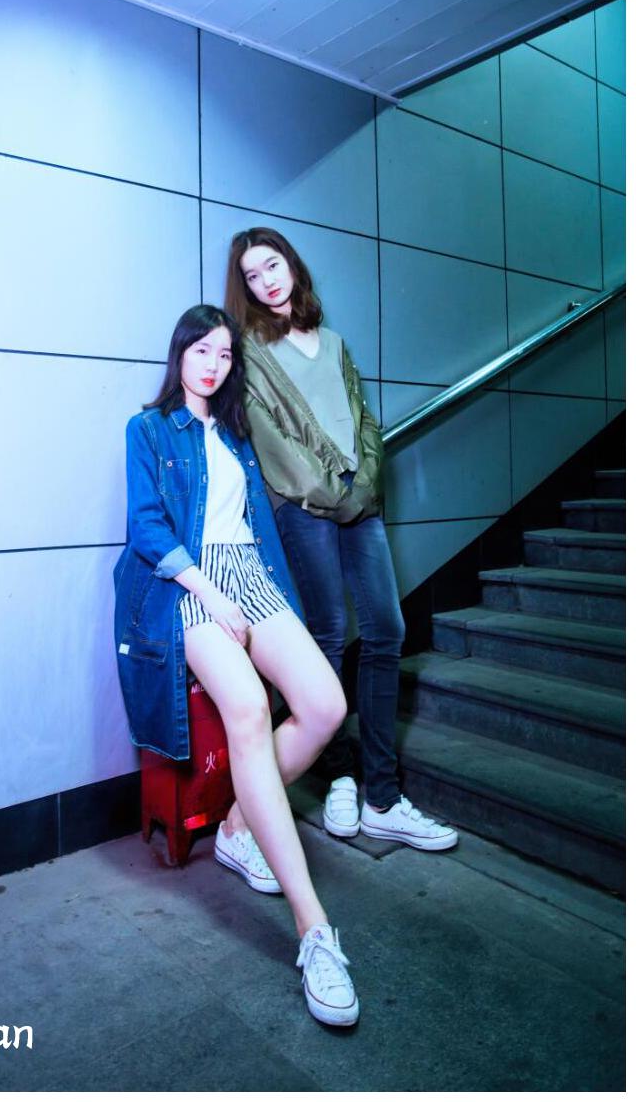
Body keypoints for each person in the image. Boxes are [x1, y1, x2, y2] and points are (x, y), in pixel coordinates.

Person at [114, 304, 360, 1026]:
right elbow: (147, 526)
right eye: (202, 350)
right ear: (180, 354)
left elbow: (261, 523)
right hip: (187, 583)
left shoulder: (236, 435)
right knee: (249, 708)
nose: (213, 364)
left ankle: (235, 826)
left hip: (251, 574)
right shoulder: (149, 429)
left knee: (325, 706)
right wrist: (211, 594)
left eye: (224, 354)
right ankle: (315, 931)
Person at [225, 227, 458, 853]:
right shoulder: (249, 353)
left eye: (273, 265)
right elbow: (272, 443)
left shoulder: (331, 342)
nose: (266, 281)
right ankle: (340, 778)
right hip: (304, 508)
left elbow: (365, 423)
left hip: (360, 505)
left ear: (292, 266)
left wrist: (366, 485)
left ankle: (382, 796)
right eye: (252, 275)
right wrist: (334, 492)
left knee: (385, 630)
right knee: (326, 635)